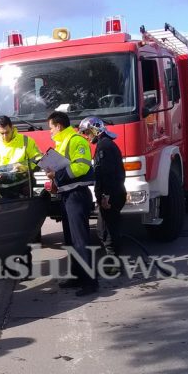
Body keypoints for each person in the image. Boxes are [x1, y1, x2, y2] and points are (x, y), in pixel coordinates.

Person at [44, 110, 98, 296]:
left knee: (80, 240)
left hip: (77, 196)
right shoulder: (62, 143)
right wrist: (54, 181)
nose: (49, 131)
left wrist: (57, 175)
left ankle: (90, 282)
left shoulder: (76, 140)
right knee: (71, 240)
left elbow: (82, 166)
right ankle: (77, 275)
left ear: (58, 126)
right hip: (67, 196)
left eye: (50, 128)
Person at [78, 116, 126, 274]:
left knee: (105, 230)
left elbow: (106, 174)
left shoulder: (103, 147)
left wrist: (105, 196)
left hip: (110, 194)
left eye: (87, 132)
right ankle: (114, 261)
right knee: (109, 227)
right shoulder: (106, 144)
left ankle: (114, 264)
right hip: (115, 193)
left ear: (94, 130)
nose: (86, 136)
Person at [0, 115, 43, 201]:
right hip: (1, 192)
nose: (5, 136)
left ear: (12, 128)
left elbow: (39, 159)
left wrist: (25, 168)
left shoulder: (26, 141)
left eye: (7, 132)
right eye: (2, 133)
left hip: (24, 190)